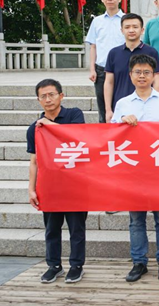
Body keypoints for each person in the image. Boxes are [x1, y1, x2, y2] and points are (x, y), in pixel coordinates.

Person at [111, 54, 159, 283]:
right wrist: (122, 121)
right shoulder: (122, 104)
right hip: (133, 172)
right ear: (130, 75)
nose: (142, 76)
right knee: (136, 220)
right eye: (138, 72)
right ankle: (139, 262)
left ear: (154, 75)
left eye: (147, 72)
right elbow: (110, 135)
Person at [27, 79, 87, 284]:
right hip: (50, 187)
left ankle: (76, 266)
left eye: (51, 94)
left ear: (61, 96)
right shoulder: (34, 128)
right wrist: (31, 189)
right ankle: (54, 266)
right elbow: (34, 161)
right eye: (43, 96)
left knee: (76, 228)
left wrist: (49, 124)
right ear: (38, 100)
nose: (48, 99)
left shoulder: (74, 114)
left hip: (76, 184)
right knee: (52, 229)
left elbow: (76, 136)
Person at [104, 13, 159, 123]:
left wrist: (156, 104)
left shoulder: (151, 52)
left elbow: (156, 80)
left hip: (146, 106)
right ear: (122, 30)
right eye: (127, 27)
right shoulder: (113, 53)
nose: (131, 30)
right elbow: (109, 82)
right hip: (121, 107)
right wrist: (108, 109)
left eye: (135, 27)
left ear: (142, 30)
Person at [85, 0, 125, 123]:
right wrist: (92, 69)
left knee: (123, 104)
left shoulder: (126, 20)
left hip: (122, 69)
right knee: (103, 108)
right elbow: (93, 46)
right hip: (101, 69)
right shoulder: (97, 21)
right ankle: (105, 134)